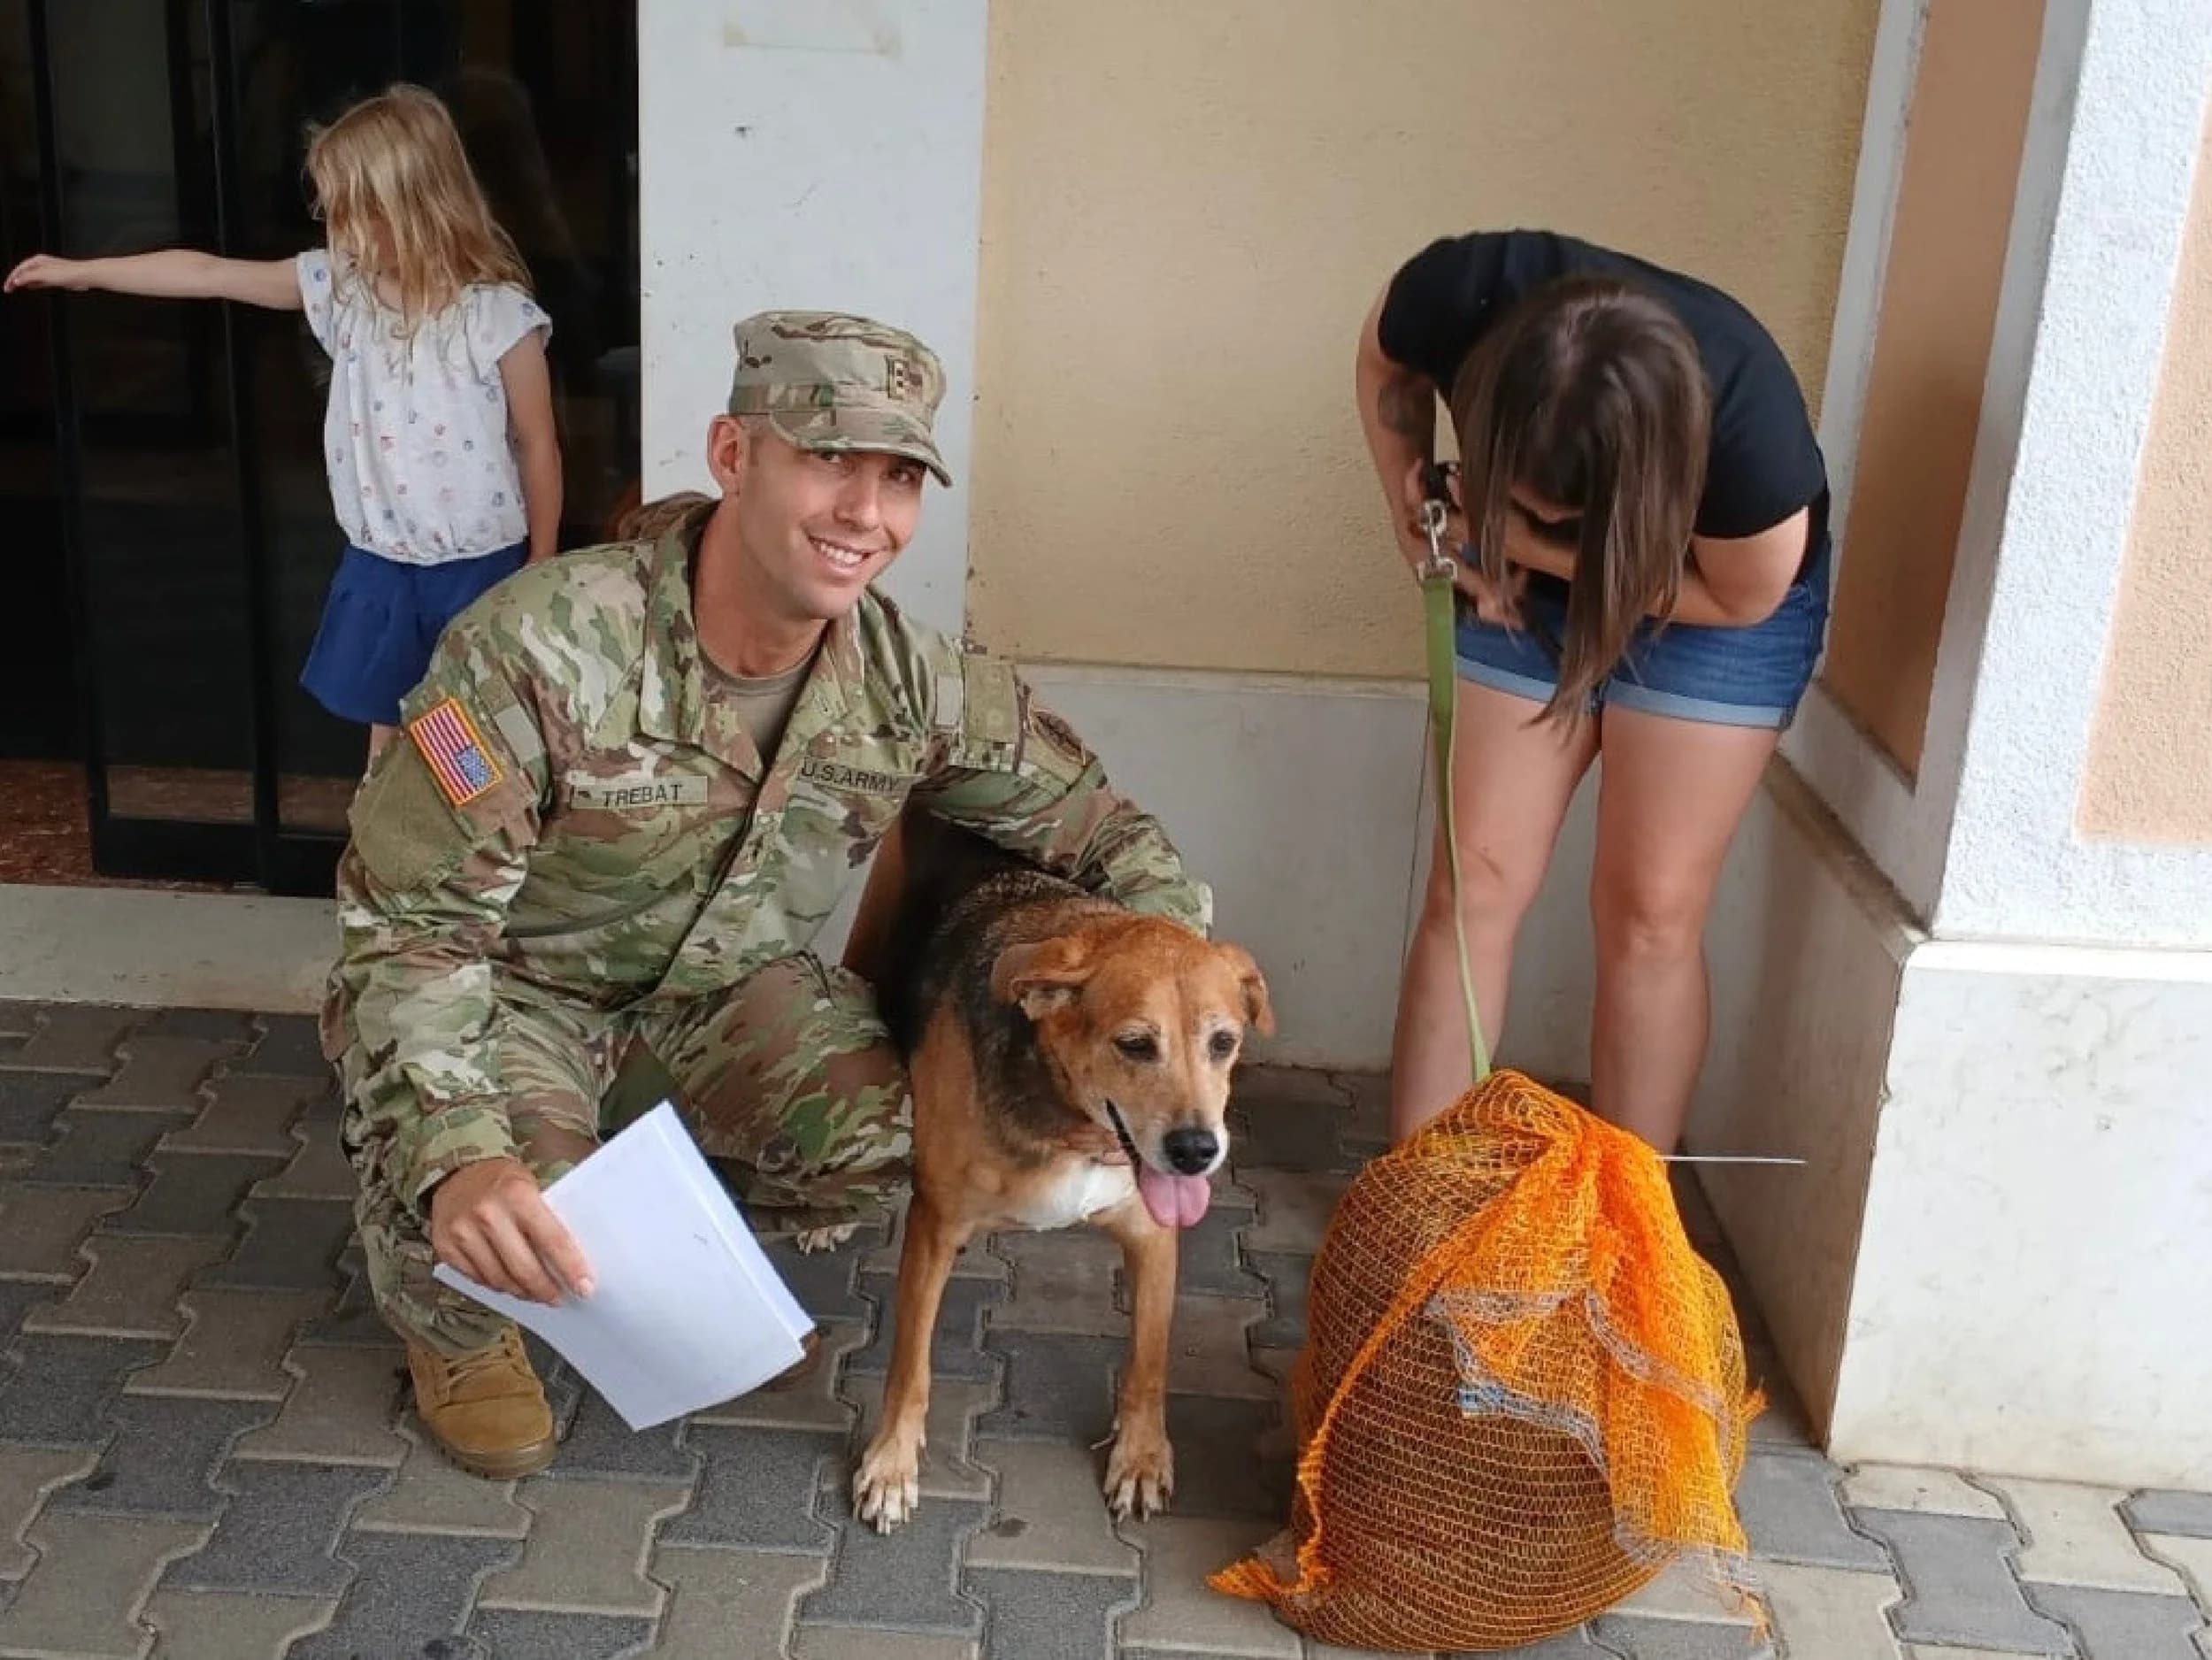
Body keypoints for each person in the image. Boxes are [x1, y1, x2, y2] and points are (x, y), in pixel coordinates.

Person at [321, 310, 1210, 1479]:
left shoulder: (912, 680)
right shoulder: (538, 651)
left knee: (902, 1137)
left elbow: (1103, 831)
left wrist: (1180, 997)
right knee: (501, 1187)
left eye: (898, 477)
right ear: (734, 457)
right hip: (522, 1000)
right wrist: (451, 1149)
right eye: (827, 458)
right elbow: (407, 938)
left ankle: (674, 1245)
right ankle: (449, 1311)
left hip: (723, 994)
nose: (863, 512)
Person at [1356, 228, 1832, 1151]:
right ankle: (1417, 1197)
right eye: (1516, 493)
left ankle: (1629, 1219)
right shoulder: (1459, 290)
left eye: (1555, 513)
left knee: (1649, 913)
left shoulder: (1748, 432)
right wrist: (1414, 520)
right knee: (1474, 883)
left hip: (1715, 601)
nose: (1535, 516)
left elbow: (1741, 593)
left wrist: (1510, 541)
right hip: (1524, 587)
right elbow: (1385, 360)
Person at [4, 83, 561, 765]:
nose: (338, 232)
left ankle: (460, 858)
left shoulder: (497, 317)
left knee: (464, 740)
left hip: (476, 570)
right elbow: (207, 273)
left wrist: (540, 560)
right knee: (387, 727)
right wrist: (84, 271)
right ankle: (386, 854)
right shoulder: (342, 290)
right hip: (383, 566)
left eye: (353, 213)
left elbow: (537, 442)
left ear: (409, 204)